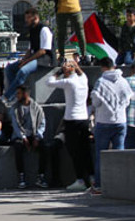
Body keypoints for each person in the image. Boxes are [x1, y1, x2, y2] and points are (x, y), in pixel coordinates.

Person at [46, 59, 93, 191]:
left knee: (74, 151)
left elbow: (48, 82)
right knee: (85, 150)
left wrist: (60, 71)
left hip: (71, 119)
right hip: (84, 119)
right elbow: (81, 72)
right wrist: (75, 66)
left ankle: (80, 179)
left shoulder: (68, 82)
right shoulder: (83, 79)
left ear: (68, 71)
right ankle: (93, 177)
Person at [90, 57, 132, 194]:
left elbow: (96, 102)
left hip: (104, 121)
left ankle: (99, 185)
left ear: (102, 67)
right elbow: (127, 100)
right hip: (121, 121)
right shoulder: (123, 81)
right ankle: (119, 184)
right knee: (119, 153)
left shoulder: (101, 82)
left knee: (101, 155)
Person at [5, 8, 53, 100]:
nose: (26, 20)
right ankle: (16, 95)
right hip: (34, 58)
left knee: (23, 71)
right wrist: (23, 60)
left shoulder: (44, 30)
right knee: (10, 69)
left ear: (35, 17)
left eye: (28, 18)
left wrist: (26, 61)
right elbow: (30, 49)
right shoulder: (32, 30)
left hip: (44, 59)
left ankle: (8, 96)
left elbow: (43, 51)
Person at [45, 0, 87, 64]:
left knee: (80, 32)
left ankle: (84, 55)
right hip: (61, 11)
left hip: (75, 9)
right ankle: (62, 56)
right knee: (61, 34)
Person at [10, 85, 48, 189]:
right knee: (18, 147)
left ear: (25, 94)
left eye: (19, 93)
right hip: (21, 135)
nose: (17, 96)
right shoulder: (15, 108)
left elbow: (42, 123)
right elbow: (15, 125)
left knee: (44, 148)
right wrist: (23, 137)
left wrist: (37, 137)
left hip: (34, 134)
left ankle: (41, 176)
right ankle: (21, 176)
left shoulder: (37, 107)